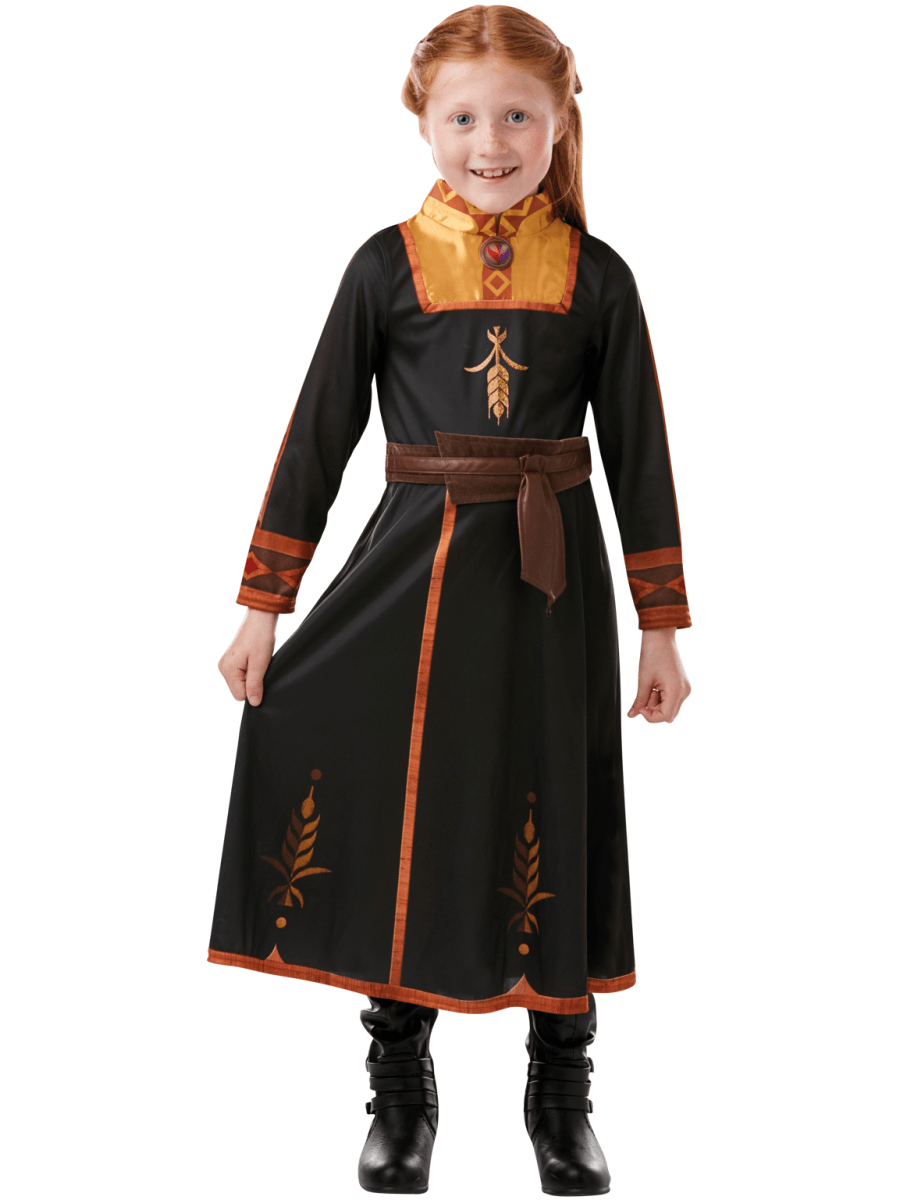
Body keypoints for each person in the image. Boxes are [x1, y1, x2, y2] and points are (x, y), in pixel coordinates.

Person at [210, 5, 692, 1194]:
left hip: (550, 590)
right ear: (423, 123)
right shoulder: (385, 267)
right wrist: (264, 604)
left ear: (560, 121)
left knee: (554, 795)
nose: (492, 142)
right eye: (465, 117)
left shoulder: (598, 277)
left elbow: (640, 457)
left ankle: (562, 1091)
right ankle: (400, 1086)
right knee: (405, 805)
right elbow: (318, 437)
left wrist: (662, 628)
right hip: (410, 578)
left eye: (518, 116)